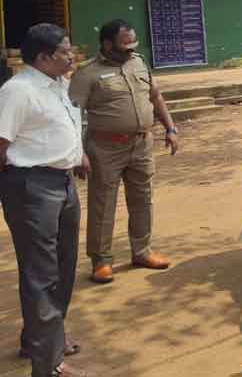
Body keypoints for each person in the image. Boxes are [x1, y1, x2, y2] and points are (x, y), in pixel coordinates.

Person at [0, 24, 90, 377]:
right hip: (32, 187)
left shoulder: (58, 85)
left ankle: (43, 338)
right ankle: (49, 365)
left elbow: (61, 126)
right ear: (44, 57)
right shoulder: (18, 91)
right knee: (42, 275)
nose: (73, 55)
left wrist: (77, 156)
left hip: (63, 183)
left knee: (65, 267)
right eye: (66, 50)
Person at [69, 19, 178, 284]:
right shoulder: (86, 74)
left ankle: (141, 251)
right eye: (125, 45)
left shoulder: (139, 63)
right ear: (107, 44)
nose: (131, 50)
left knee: (143, 199)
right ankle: (101, 260)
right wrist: (76, 152)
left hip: (141, 144)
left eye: (133, 45)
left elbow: (155, 97)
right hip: (105, 148)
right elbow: (72, 115)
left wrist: (171, 128)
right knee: (103, 204)